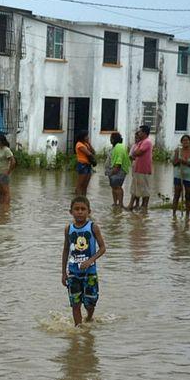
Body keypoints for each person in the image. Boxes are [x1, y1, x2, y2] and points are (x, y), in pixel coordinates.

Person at [61, 196, 106, 327]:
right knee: (75, 303)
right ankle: (78, 329)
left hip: (90, 272)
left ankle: (90, 317)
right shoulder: (68, 229)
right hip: (73, 273)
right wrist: (63, 273)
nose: (80, 212)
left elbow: (102, 248)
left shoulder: (93, 227)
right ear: (71, 212)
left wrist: (90, 260)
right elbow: (65, 251)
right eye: (76, 209)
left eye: (83, 209)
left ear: (89, 211)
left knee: (90, 302)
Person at [128, 125, 153, 211]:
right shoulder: (140, 142)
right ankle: (138, 206)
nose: (139, 133)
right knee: (137, 188)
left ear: (144, 133)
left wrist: (134, 153)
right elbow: (133, 153)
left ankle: (144, 206)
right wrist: (134, 153)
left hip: (144, 169)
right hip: (138, 169)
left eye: (140, 132)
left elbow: (137, 152)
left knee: (144, 189)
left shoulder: (147, 142)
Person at [171, 134, 190, 217]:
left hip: (189, 177)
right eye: (184, 140)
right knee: (177, 195)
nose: (185, 142)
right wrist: (179, 160)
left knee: (188, 196)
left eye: (187, 140)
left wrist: (185, 162)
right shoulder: (177, 151)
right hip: (178, 176)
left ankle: (187, 216)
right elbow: (174, 163)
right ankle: (174, 214)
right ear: (181, 142)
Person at [107, 132, 130, 208]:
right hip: (113, 170)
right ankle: (115, 203)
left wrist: (115, 170)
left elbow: (119, 160)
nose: (110, 140)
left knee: (117, 187)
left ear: (113, 139)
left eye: (111, 138)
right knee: (114, 187)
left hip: (118, 170)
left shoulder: (119, 147)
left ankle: (120, 204)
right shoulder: (117, 147)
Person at [0, 134, 15, 206]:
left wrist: (8, 171)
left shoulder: (6, 150)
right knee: (1, 193)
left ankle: (6, 209)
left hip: (3, 173)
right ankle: (1, 208)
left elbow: (13, 161)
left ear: (0, 141)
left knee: (6, 193)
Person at [75, 131, 96, 197]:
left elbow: (93, 152)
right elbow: (89, 154)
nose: (88, 137)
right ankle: (78, 199)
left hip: (88, 165)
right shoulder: (79, 144)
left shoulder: (86, 144)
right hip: (82, 165)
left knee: (85, 185)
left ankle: (84, 199)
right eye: (86, 136)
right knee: (80, 184)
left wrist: (89, 144)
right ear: (83, 137)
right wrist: (93, 158)